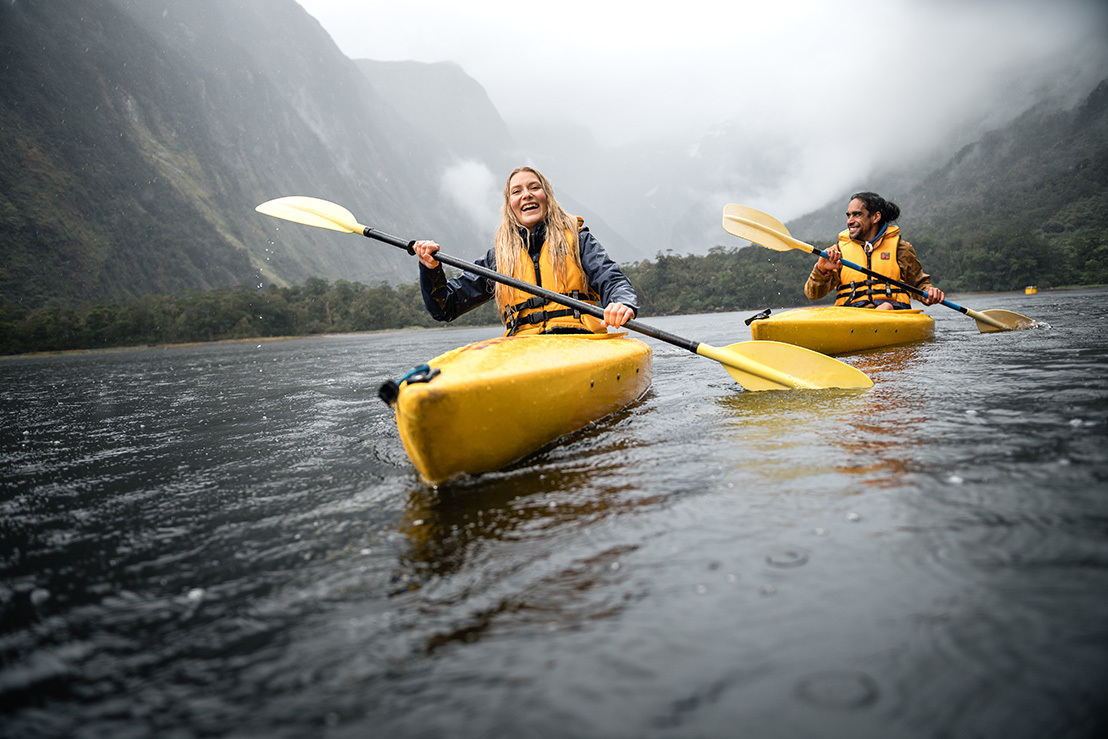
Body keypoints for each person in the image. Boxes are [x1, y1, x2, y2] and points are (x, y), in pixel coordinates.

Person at [412, 166, 638, 335]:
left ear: (546, 196)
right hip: (524, 350)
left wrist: (621, 303)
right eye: (516, 191)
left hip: (580, 340)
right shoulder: (499, 259)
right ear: (510, 205)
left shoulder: (578, 240)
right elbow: (445, 307)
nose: (526, 195)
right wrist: (431, 269)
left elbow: (612, 279)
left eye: (534, 188)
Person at [805, 191, 945, 310]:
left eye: (857, 215)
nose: (850, 221)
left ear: (875, 217)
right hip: (852, 316)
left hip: (892, 314)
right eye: (849, 215)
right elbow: (813, 294)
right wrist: (821, 270)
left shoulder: (901, 249)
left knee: (886, 307)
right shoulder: (837, 252)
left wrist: (929, 293)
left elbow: (919, 284)